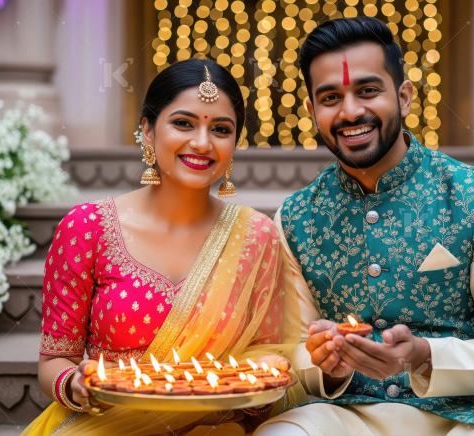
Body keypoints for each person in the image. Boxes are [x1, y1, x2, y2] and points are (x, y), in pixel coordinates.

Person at [257, 17, 474, 436]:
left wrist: (425, 355)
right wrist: (323, 364)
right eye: (330, 97)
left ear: (405, 96)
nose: (351, 111)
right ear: (312, 112)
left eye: (368, 91)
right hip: (346, 416)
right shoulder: (296, 218)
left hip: (468, 417)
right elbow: (293, 354)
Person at [23, 59, 300, 436]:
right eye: (183, 123)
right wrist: (74, 385)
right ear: (148, 131)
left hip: (214, 427)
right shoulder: (86, 228)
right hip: (107, 425)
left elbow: (269, 349)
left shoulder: (255, 235)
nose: (202, 143)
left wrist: (261, 378)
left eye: (220, 129)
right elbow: (55, 360)